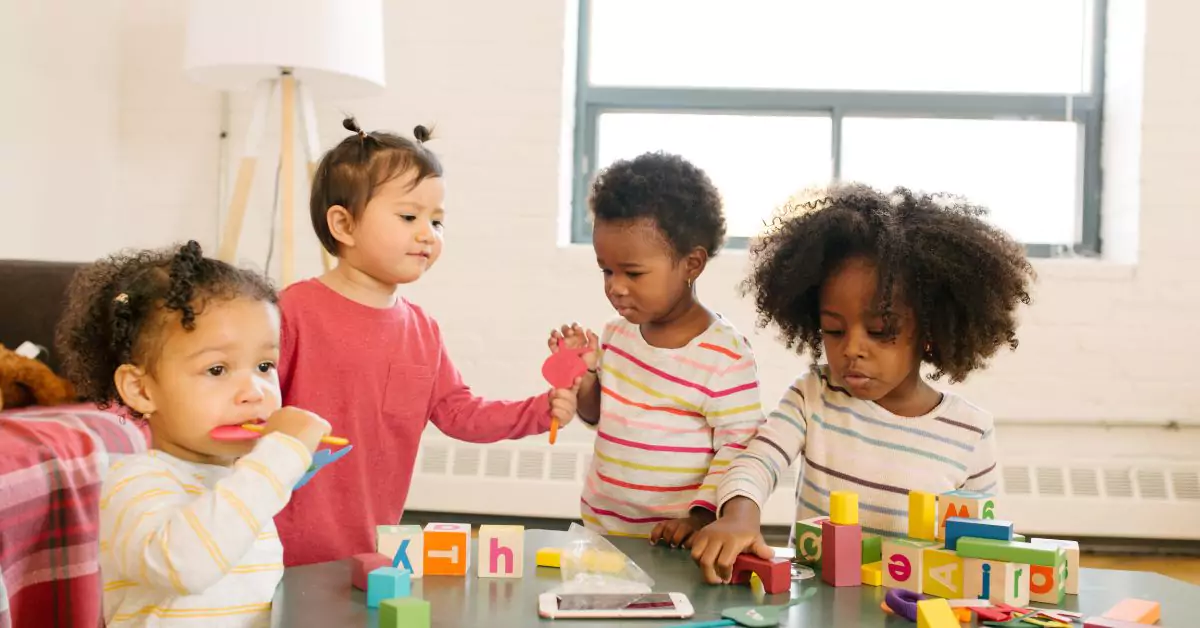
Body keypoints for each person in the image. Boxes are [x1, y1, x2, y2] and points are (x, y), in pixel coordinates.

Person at [690, 183, 1035, 583]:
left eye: (880, 331)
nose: (852, 349)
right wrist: (739, 516)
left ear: (930, 332)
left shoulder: (970, 433)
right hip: (817, 602)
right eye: (834, 330)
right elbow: (758, 461)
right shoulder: (814, 395)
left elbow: (979, 549)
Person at [275, 118, 580, 566]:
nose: (427, 234)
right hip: (277, 550)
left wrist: (540, 409)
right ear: (343, 224)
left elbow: (460, 413)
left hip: (370, 547)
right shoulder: (291, 311)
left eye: (437, 221)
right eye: (409, 217)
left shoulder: (422, 330)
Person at [56, 241, 331, 627]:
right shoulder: (134, 482)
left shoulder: (239, 483)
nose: (255, 391)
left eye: (265, 366)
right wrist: (277, 459)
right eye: (217, 369)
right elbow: (185, 567)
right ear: (141, 390)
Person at [551, 151, 764, 544]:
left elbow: (739, 449)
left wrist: (699, 518)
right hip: (604, 531)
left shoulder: (725, 356)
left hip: (679, 541)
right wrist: (584, 375)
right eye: (607, 270)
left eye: (633, 273)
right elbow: (597, 414)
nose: (615, 286)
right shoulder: (617, 335)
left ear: (691, 264)